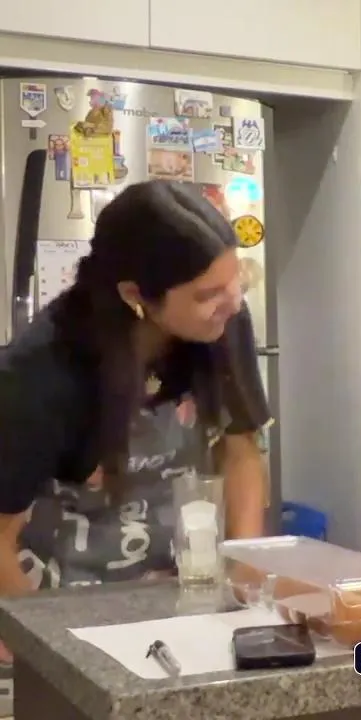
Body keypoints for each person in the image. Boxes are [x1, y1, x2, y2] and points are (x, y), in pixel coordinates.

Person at [0, 181, 271, 656]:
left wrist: (245, 574)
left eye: (235, 283)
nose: (230, 302)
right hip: (60, 602)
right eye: (207, 293)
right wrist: (43, 652)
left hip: (179, 595)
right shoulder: (41, 371)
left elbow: (241, 447)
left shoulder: (225, 320)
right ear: (134, 295)